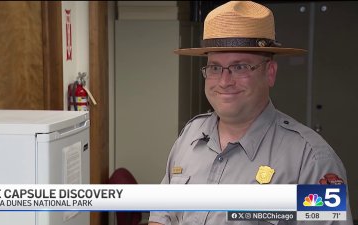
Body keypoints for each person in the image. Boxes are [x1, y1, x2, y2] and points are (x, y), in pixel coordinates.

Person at [148, 1, 353, 225]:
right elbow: (162, 215)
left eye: (240, 67)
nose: (225, 81)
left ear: (270, 73)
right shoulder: (190, 136)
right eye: (215, 67)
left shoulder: (310, 160)